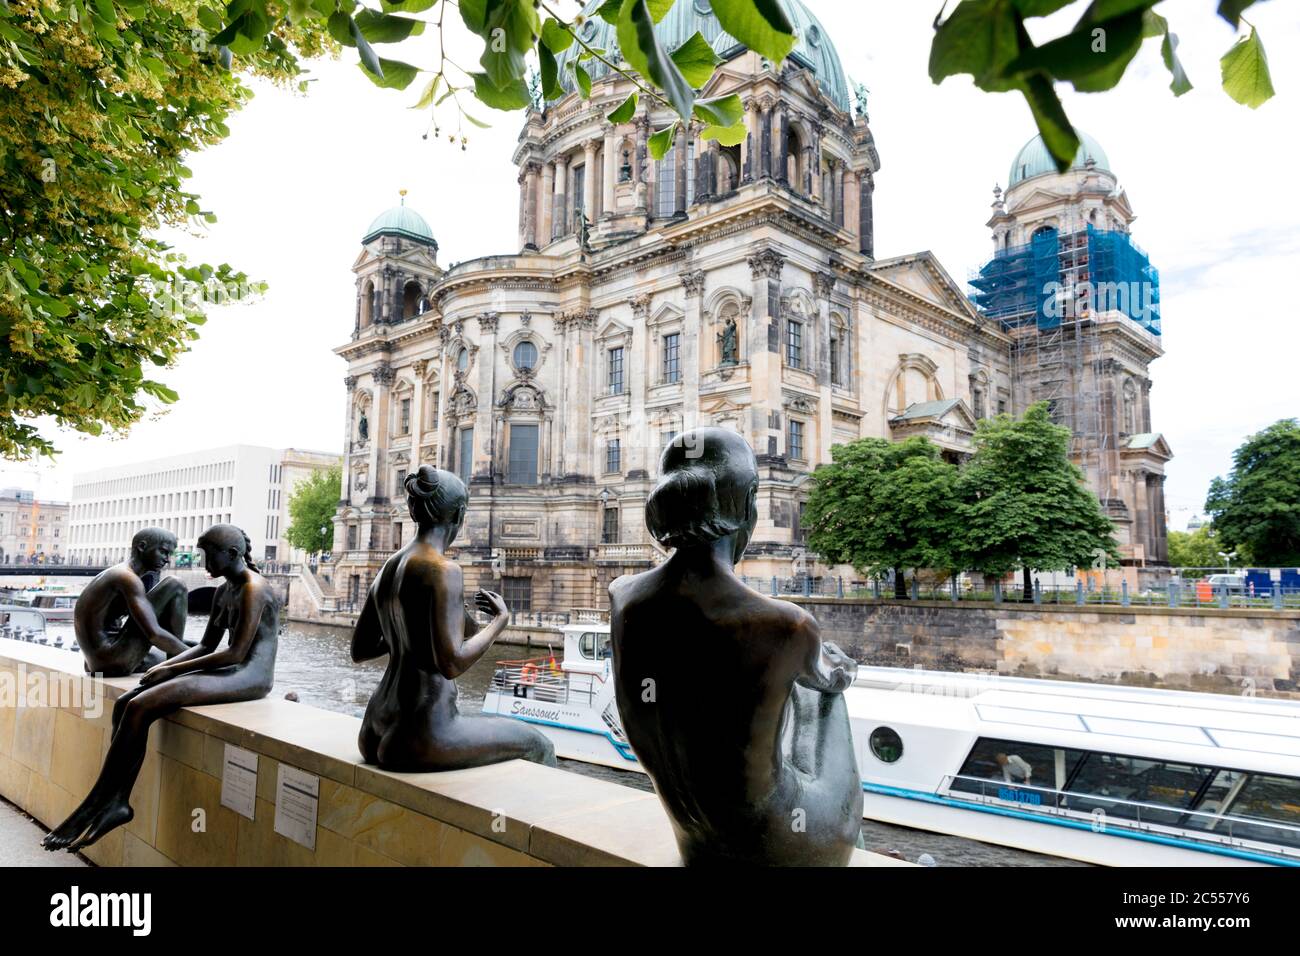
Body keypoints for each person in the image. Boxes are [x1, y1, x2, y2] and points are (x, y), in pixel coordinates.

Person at [609, 428, 863, 866]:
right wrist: (836, 669)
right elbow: (828, 679)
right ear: (748, 506)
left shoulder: (622, 596)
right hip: (782, 849)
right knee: (825, 693)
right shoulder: (788, 624)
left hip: (695, 846)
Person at [44, 524, 280, 853]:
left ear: (231, 554)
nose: (203, 561)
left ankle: (109, 802)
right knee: (126, 701)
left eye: (208, 554)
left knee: (142, 706)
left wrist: (171, 667)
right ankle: (108, 799)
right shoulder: (224, 591)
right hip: (232, 669)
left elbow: (236, 653)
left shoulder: (254, 588)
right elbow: (206, 647)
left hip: (250, 675)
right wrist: (165, 666)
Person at [352, 466, 555, 771]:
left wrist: (421, 623)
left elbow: (361, 649)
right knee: (539, 744)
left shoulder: (389, 567)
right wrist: (499, 621)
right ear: (460, 515)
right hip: (423, 732)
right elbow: (451, 664)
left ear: (412, 510)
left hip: (375, 726)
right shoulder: (443, 569)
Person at [73, 527, 190, 677]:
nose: (167, 559)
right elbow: (154, 634)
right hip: (111, 661)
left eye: (169, 554)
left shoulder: (120, 573)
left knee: (165, 654)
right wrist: (199, 658)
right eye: (163, 551)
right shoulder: (127, 579)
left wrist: (193, 649)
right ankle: (178, 666)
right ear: (142, 547)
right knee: (176, 584)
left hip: (96, 662)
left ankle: (177, 659)